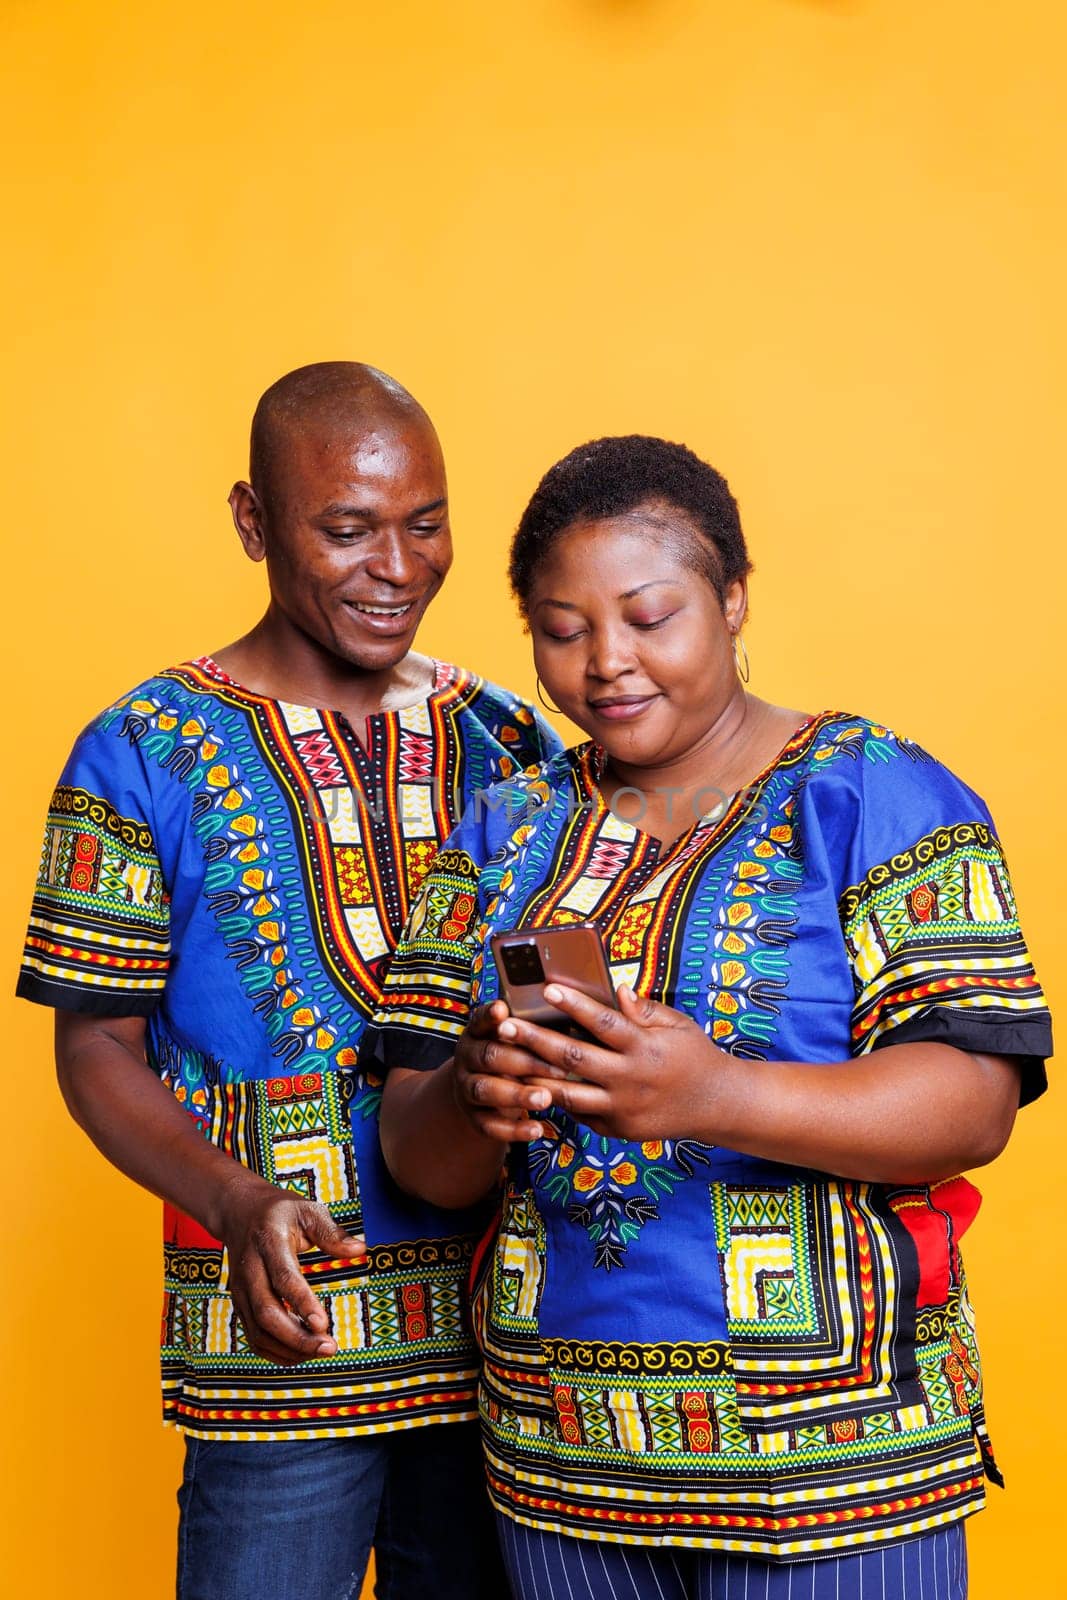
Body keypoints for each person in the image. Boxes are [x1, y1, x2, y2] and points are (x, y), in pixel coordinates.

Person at [364, 435, 1052, 1600]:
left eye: (647, 615)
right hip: (561, 1459)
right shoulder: (501, 830)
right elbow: (415, 1156)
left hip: (832, 1467)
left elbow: (973, 1102)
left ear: (732, 599)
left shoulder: (865, 790)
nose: (605, 663)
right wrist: (476, 1093)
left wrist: (712, 1095)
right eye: (561, 627)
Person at [17, 362, 560, 1600]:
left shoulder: (510, 736)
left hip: (508, 1353)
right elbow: (93, 1046)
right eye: (348, 528)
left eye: (426, 524)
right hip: (283, 1342)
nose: (398, 566)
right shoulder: (138, 748)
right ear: (254, 523)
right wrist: (232, 1197)